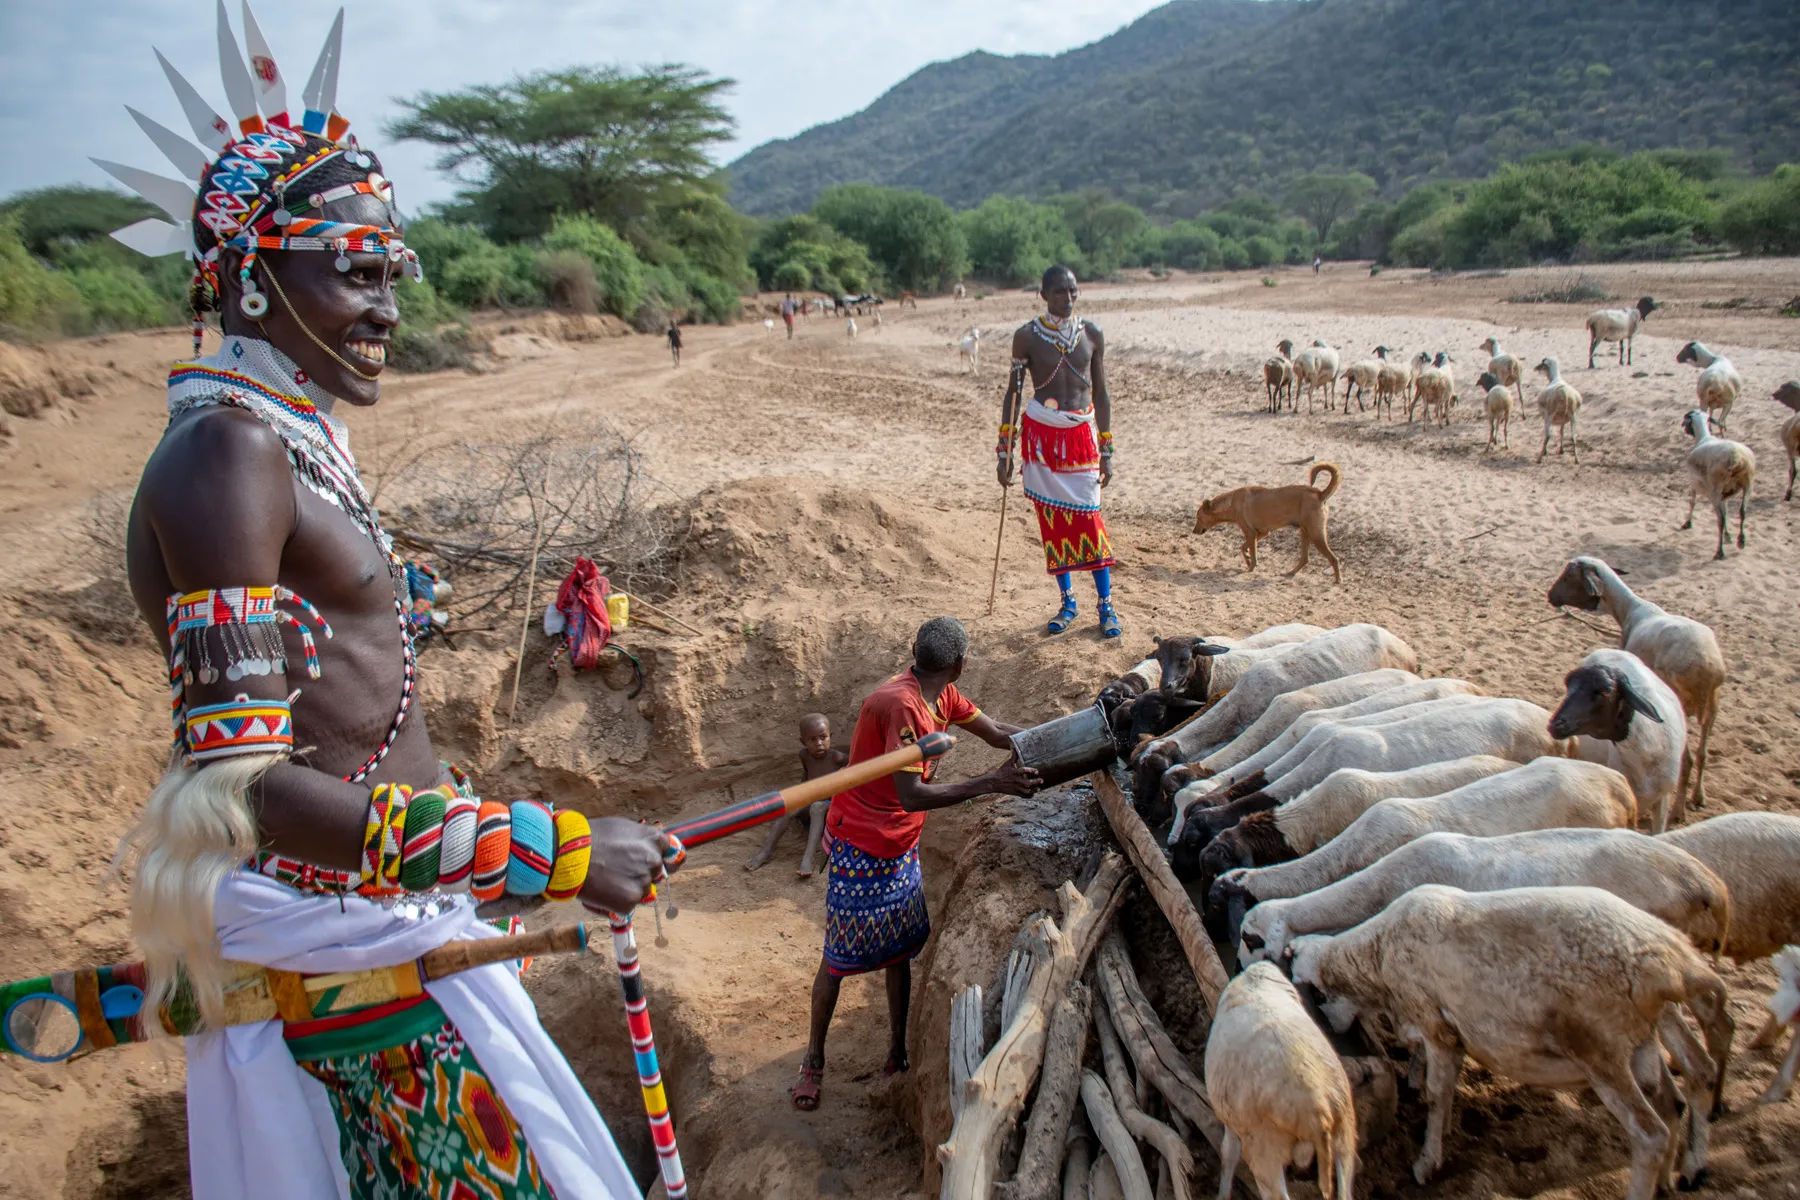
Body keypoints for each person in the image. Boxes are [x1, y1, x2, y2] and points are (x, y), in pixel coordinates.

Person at [104, 9, 661, 1196]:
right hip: (341, 952)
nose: (390, 308)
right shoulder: (226, 457)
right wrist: (540, 851)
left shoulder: (289, 442)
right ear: (252, 274)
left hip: (389, 916)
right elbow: (238, 789)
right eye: (356, 271)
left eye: (391, 272)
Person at [790, 617, 1040, 1111]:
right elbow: (911, 794)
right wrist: (991, 784)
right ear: (959, 665)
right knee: (838, 958)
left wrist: (1054, 737)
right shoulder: (901, 706)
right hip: (862, 841)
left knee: (899, 948)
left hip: (899, 844)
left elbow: (995, 734)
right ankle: (814, 1061)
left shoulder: (941, 695)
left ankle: (898, 1050)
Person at [998, 265, 1119, 638]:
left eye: (1072, 292)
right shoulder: (1026, 338)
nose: (1067, 299)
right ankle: (1068, 602)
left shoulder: (1092, 334)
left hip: (1081, 437)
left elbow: (1100, 393)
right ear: (1043, 295)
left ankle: (1105, 605)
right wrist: (1004, 450)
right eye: (1059, 293)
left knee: (1089, 519)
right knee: (1053, 525)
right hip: (1042, 442)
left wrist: (1107, 448)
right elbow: (1013, 394)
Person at [743, 713, 845, 877]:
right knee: (790, 805)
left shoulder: (837, 758)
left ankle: (808, 858)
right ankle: (766, 851)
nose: (819, 743)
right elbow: (806, 777)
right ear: (803, 742)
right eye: (812, 740)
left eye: (823, 737)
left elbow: (852, 780)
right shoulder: (804, 756)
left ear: (830, 736)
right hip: (811, 797)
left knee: (817, 808)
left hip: (830, 804)